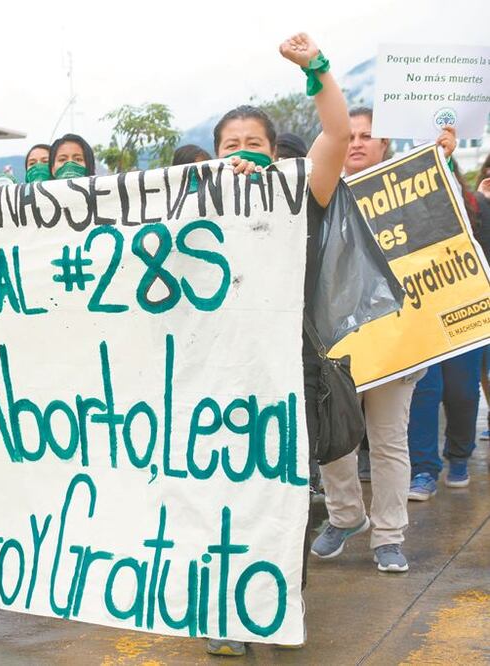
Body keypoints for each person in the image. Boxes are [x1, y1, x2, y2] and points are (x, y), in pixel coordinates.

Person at [207, 32, 350, 657]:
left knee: (287, 493)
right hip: (212, 369)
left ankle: (275, 602)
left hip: (291, 368)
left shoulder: (303, 193)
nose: (241, 154)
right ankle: (224, 616)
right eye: (230, 145)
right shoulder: (192, 206)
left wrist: (316, 69)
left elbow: (339, 135)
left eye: (253, 144)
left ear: (276, 152)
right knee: (219, 490)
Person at [310, 108, 458, 573]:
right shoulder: (322, 191)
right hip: (342, 341)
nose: (356, 142)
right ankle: (345, 517)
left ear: (385, 145)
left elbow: (445, 225)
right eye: (349, 135)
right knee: (337, 439)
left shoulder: (409, 192)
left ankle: (389, 536)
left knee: (390, 441)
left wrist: (444, 164)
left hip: (397, 339)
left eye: (367, 136)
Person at [407, 154, 485, 498]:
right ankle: (423, 469)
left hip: (465, 316)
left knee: (463, 391)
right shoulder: (402, 216)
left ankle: (458, 457)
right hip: (420, 316)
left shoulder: (478, 211)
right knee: (424, 392)